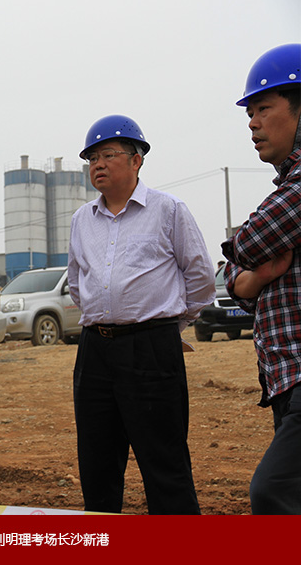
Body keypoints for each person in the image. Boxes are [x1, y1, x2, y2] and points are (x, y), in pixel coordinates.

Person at [67, 114, 215, 514]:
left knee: (163, 461)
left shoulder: (168, 210)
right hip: (95, 352)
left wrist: (169, 326)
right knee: (97, 462)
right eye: (91, 158)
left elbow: (200, 277)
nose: (97, 165)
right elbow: (77, 282)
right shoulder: (82, 220)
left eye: (108, 155)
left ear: (137, 160)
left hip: (151, 349)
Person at [220, 43, 301, 514]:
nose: (252, 122)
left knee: (273, 492)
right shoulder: (288, 186)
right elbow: (233, 269)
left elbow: (247, 243)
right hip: (286, 379)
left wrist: (248, 266)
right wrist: (249, 281)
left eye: (264, 108)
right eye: (249, 113)